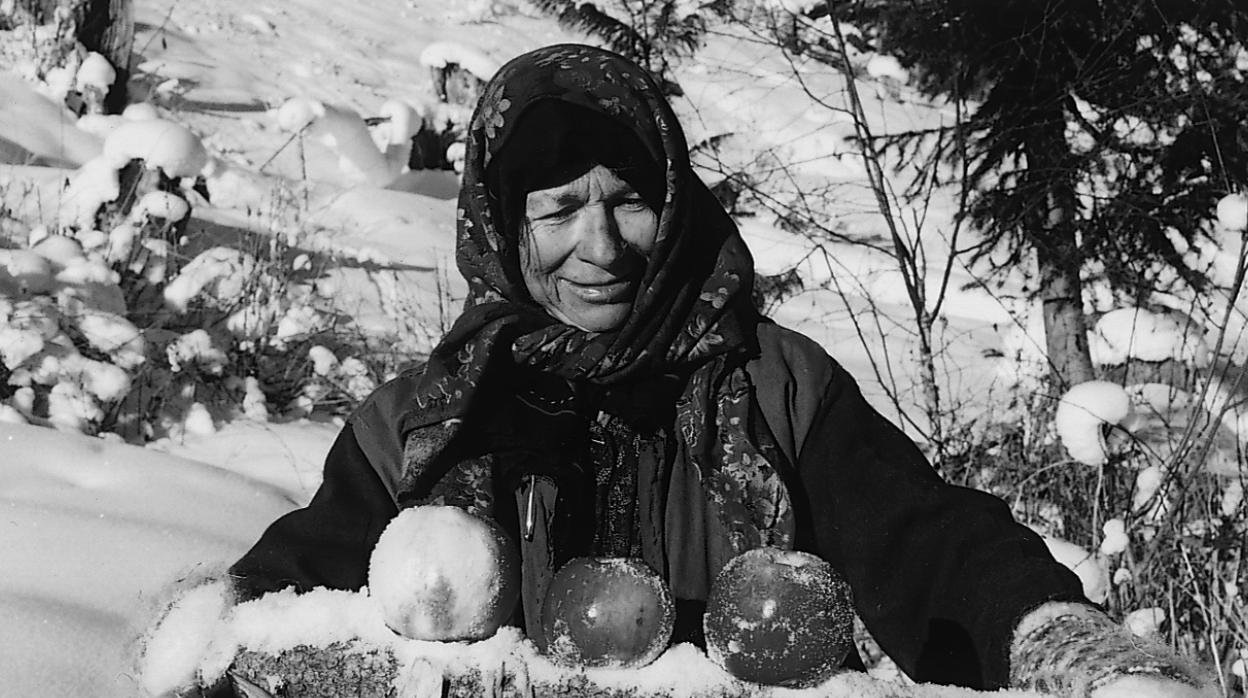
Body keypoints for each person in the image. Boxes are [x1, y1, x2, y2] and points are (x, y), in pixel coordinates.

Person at [140, 44, 1213, 698]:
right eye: (559, 209)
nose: (600, 245)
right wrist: (215, 621)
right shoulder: (423, 423)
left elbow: (924, 540)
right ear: (502, 227)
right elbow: (309, 573)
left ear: (675, 199)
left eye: (629, 200)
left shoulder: (776, 386)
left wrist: (1054, 639)